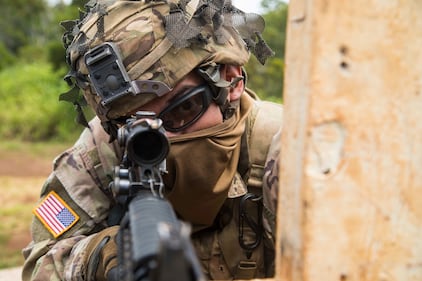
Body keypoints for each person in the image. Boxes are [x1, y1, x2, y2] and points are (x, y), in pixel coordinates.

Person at [22, 0, 282, 280]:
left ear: (230, 80)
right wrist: (101, 257)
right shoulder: (98, 155)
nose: (161, 138)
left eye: (183, 109)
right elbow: (40, 263)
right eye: (133, 124)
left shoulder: (289, 157)